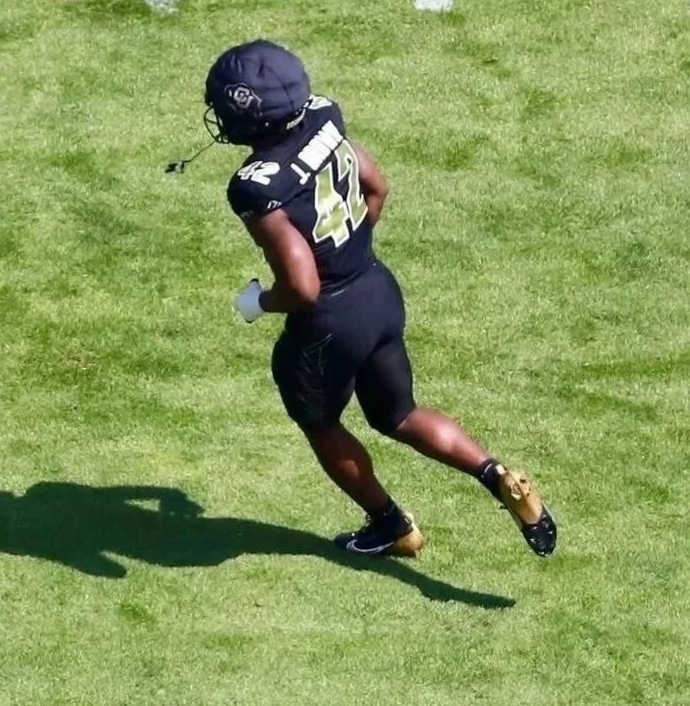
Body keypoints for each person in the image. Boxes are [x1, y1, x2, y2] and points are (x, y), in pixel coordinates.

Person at [207, 40, 556, 558]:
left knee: (320, 425)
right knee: (400, 414)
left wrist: (260, 302)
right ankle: (496, 474)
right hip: (376, 290)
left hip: (329, 323)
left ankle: (392, 526)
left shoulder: (255, 187)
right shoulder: (324, 119)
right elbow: (376, 188)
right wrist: (347, 250)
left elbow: (302, 285)